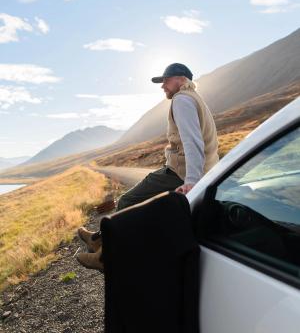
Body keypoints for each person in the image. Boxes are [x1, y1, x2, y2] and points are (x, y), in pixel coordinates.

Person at [77, 63, 219, 270]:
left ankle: (105, 258)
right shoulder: (195, 99)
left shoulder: (182, 100)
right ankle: (99, 240)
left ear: (181, 79)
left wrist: (191, 181)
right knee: (146, 208)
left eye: (165, 81)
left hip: (181, 171)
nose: (163, 86)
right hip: (190, 169)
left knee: (127, 201)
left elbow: (192, 141)